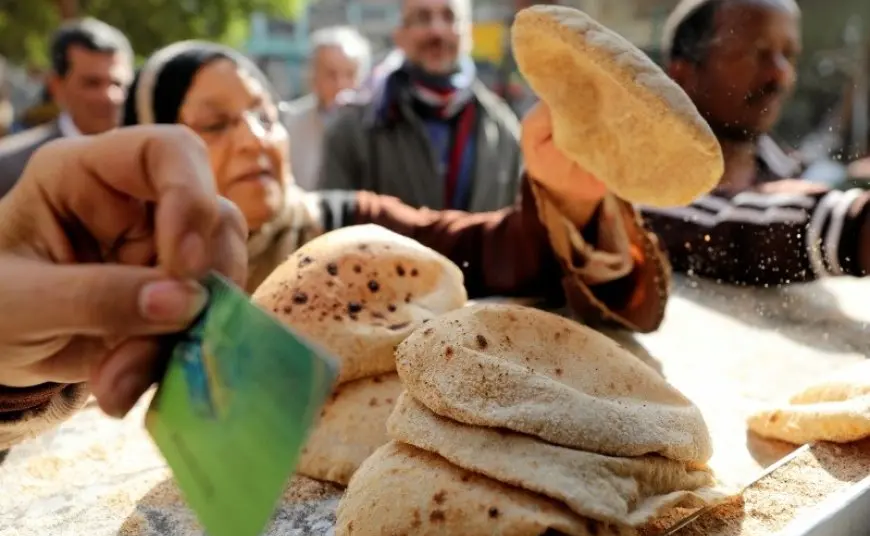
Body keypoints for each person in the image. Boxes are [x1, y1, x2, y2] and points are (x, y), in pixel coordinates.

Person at [0, 39, 671, 447]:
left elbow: (494, 251)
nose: (256, 138)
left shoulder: (347, 227)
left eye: (265, 113)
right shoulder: (113, 275)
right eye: (214, 123)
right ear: (146, 148)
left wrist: (568, 194)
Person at [641, 0, 870, 285]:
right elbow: (719, 226)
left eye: (788, 55)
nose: (781, 74)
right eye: (757, 53)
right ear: (682, 73)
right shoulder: (636, 174)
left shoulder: (786, 169)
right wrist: (854, 228)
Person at [318, 0, 521, 213]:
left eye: (449, 16)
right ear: (400, 35)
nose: (436, 31)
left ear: (468, 32)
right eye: (422, 18)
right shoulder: (355, 130)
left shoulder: (504, 131)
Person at [0, 18, 133, 199]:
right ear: (57, 87)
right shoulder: (11, 167)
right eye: (92, 83)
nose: (109, 96)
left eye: (118, 84)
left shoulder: (151, 160)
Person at [282, 26, 371, 190]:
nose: (341, 85)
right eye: (331, 74)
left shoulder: (378, 127)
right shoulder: (289, 124)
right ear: (313, 77)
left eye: (350, 75)